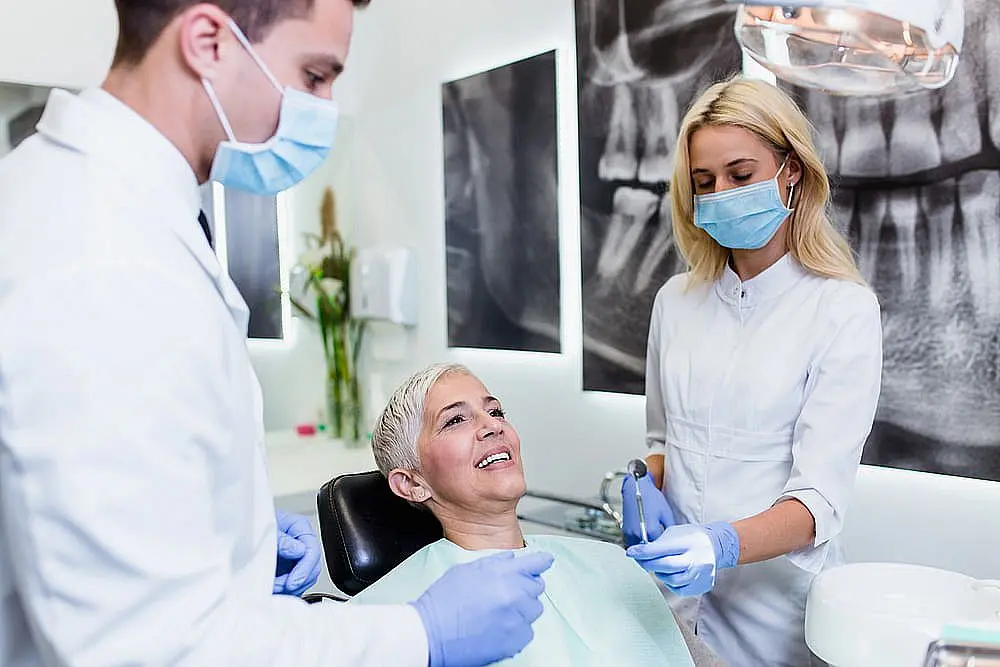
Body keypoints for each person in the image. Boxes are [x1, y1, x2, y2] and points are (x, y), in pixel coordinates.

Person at [0, 2, 552, 666]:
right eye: (315, 75)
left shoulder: (120, 214)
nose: (322, 106)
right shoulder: (98, 253)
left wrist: (241, 533)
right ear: (207, 41)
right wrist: (420, 635)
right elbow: (142, 646)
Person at [619, 76, 884, 666]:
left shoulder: (841, 310)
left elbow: (819, 502)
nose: (720, 195)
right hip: (673, 605)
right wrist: (643, 484)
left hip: (774, 617)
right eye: (704, 182)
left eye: (741, 175)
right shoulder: (676, 301)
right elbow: (663, 440)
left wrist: (722, 543)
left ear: (790, 170)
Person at [353, 362, 727, 667]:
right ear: (412, 484)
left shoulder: (613, 565)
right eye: (455, 420)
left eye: (495, 410)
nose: (492, 425)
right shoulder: (388, 620)